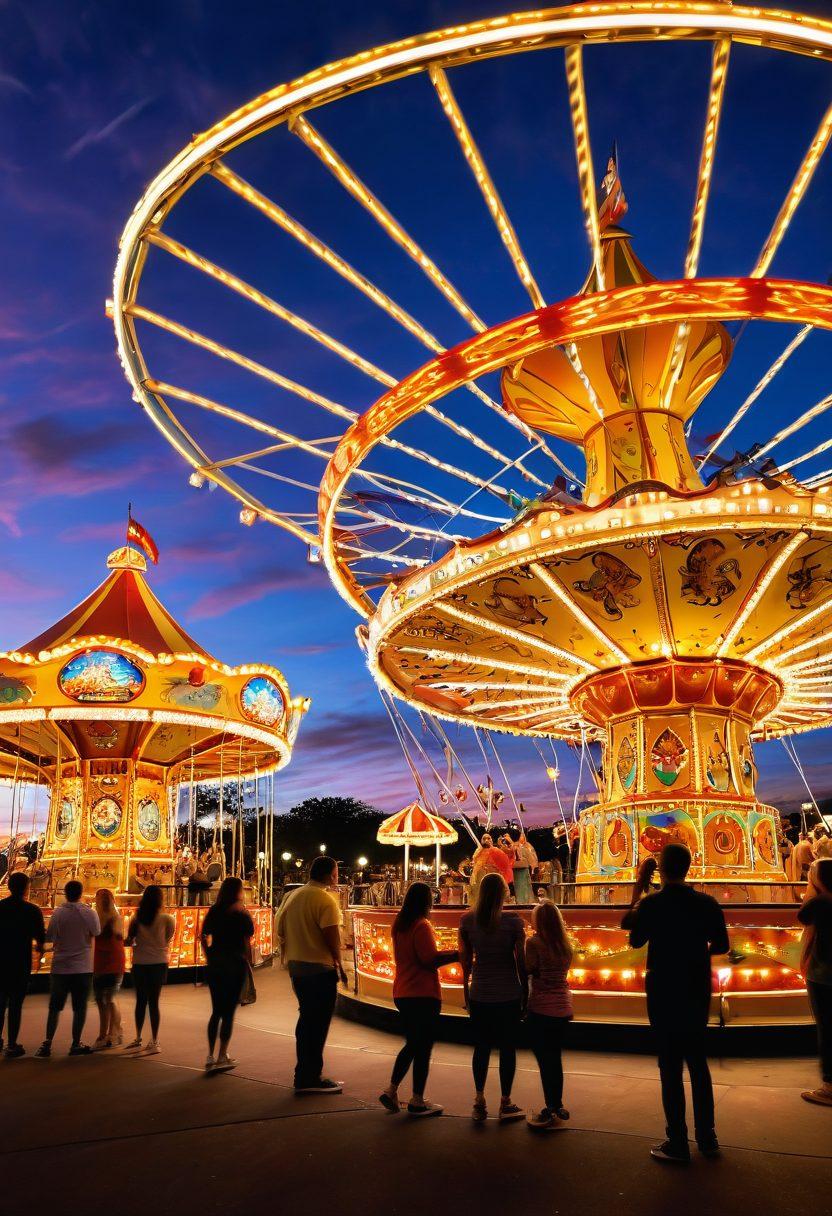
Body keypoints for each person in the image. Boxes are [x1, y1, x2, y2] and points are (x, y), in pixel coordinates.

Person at [624, 844, 729, 1162]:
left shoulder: (652, 904)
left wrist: (638, 891)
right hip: (696, 984)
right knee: (698, 1061)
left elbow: (634, 937)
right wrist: (694, 953)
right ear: (688, 867)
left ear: (662, 871)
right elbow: (722, 944)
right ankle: (708, 1138)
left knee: (669, 1064)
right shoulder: (706, 903)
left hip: (663, 986)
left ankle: (678, 1140)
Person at [379, 881, 459, 1117]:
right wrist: (457, 954)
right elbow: (429, 958)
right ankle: (416, 1099)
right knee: (422, 1047)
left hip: (403, 990)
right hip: (422, 993)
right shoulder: (421, 925)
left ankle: (392, 1089)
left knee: (413, 1043)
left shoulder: (400, 924)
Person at [459, 872, 527, 1123]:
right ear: (503, 894)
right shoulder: (513, 922)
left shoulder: (467, 921)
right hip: (508, 992)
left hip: (479, 992)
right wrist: (526, 993)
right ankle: (505, 1101)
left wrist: (466, 993)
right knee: (508, 1048)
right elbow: (520, 960)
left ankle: (479, 1100)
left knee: (482, 1047)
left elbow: (465, 962)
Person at [275, 855, 346, 1094]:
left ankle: (304, 1072)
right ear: (328, 875)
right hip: (319, 968)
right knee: (318, 1023)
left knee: (306, 1020)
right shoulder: (325, 900)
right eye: (336, 872)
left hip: (297, 967)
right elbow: (332, 937)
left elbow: (280, 929)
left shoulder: (291, 896)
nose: (337, 877)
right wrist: (340, 965)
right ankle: (310, 1076)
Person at [36, 879, 100, 1058]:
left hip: (61, 966)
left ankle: (47, 1043)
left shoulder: (58, 913)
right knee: (80, 1007)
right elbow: (96, 932)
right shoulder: (89, 913)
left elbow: (50, 936)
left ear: (65, 893)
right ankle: (75, 1042)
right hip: (82, 966)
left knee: (55, 1007)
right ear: (81, 893)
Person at [525, 900, 574, 1130]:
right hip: (563, 1007)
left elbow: (529, 968)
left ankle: (551, 1107)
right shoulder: (565, 946)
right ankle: (558, 1103)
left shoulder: (534, 942)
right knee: (555, 1058)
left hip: (542, 1008)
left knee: (545, 1061)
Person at [200, 876, 255, 1073]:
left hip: (216, 964)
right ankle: (222, 1054)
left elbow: (203, 935)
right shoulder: (241, 912)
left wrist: (209, 955)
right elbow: (249, 936)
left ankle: (209, 1055)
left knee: (216, 1011)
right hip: (235, 963)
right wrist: (249, 962)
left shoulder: (214, 910)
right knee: (229, 1012)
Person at [797, 858, 832, 1106]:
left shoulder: (821, 902)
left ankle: (829, 1086)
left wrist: (812, 890)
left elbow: (803, 916)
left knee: (827, 1028)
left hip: (823, 974)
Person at [125, 884, 175, 1055]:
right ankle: (154, 1039)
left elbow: (129, 939)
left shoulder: (136, 918)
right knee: (154, 1002)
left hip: (140, 962)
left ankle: (138, 1036)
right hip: (158, 963)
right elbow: (168, 937)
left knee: (140, 1001)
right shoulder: (167, 919)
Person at [0, 872, 46, 1057]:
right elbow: (40, 939)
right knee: (16, 1004)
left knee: (0, 1002)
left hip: (1, 960)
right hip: (20, 962)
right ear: (27, 888)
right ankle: (12, 1044)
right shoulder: (32, 911)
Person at [92, 888, 125, 1050]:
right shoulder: (105, 917)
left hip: (110, 962)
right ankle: (109, 1032)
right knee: (103, 999)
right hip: (103, 961)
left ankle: (109, 1033)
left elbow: (116, 935)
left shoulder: (112, 918)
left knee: (107, 998)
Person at [512, 833, 538, 905]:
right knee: (521, 887)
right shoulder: (514, 846)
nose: (522, 837)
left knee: (525, 886)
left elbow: (532, 858)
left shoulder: (527, 846)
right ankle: (522, 902)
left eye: (522, 836)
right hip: (517, 870)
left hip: (524, 869)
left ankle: (525, 902)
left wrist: (534, 868)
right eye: (520, 835)